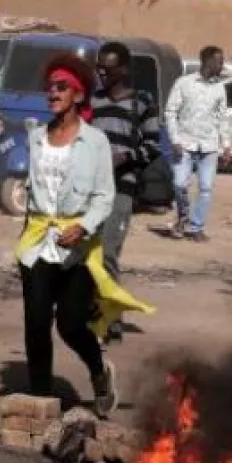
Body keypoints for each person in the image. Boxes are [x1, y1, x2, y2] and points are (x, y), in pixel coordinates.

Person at [15, 54, 151, 418]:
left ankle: (98, 370)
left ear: (77, 95)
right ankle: (40, 398)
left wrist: (84, 226)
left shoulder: (96, 142)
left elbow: (105, 196)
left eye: (61, 88)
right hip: (38, 242)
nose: (52, 94)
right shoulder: (36, 139)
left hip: (79, 246)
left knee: (71, 323)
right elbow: (32, 192)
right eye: (50, 88)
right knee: (36, 320)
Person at [91, 41, 163, 342]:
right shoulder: (92, 102)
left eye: (107, 70)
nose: (102, 75)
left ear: (123, 69)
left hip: (122, 187)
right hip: (91, 189)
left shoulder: (142, 103)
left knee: (108, 253)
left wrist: (125, 157)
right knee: (88, 257)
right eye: (99, 70)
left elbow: (152, 146)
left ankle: (112, 321)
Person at [164, 45, 232, 241]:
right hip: (184, 144)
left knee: (205, 189)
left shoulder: (219, 87)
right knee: (178, 184)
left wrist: (226, 145)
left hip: (209, 147)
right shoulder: (184, 83)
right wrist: (175, 139)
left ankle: (196, 227)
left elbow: (222, 118)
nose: (222, 65)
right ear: (208, 61)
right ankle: (183, 216)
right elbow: (170, 112)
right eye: (219, 61)